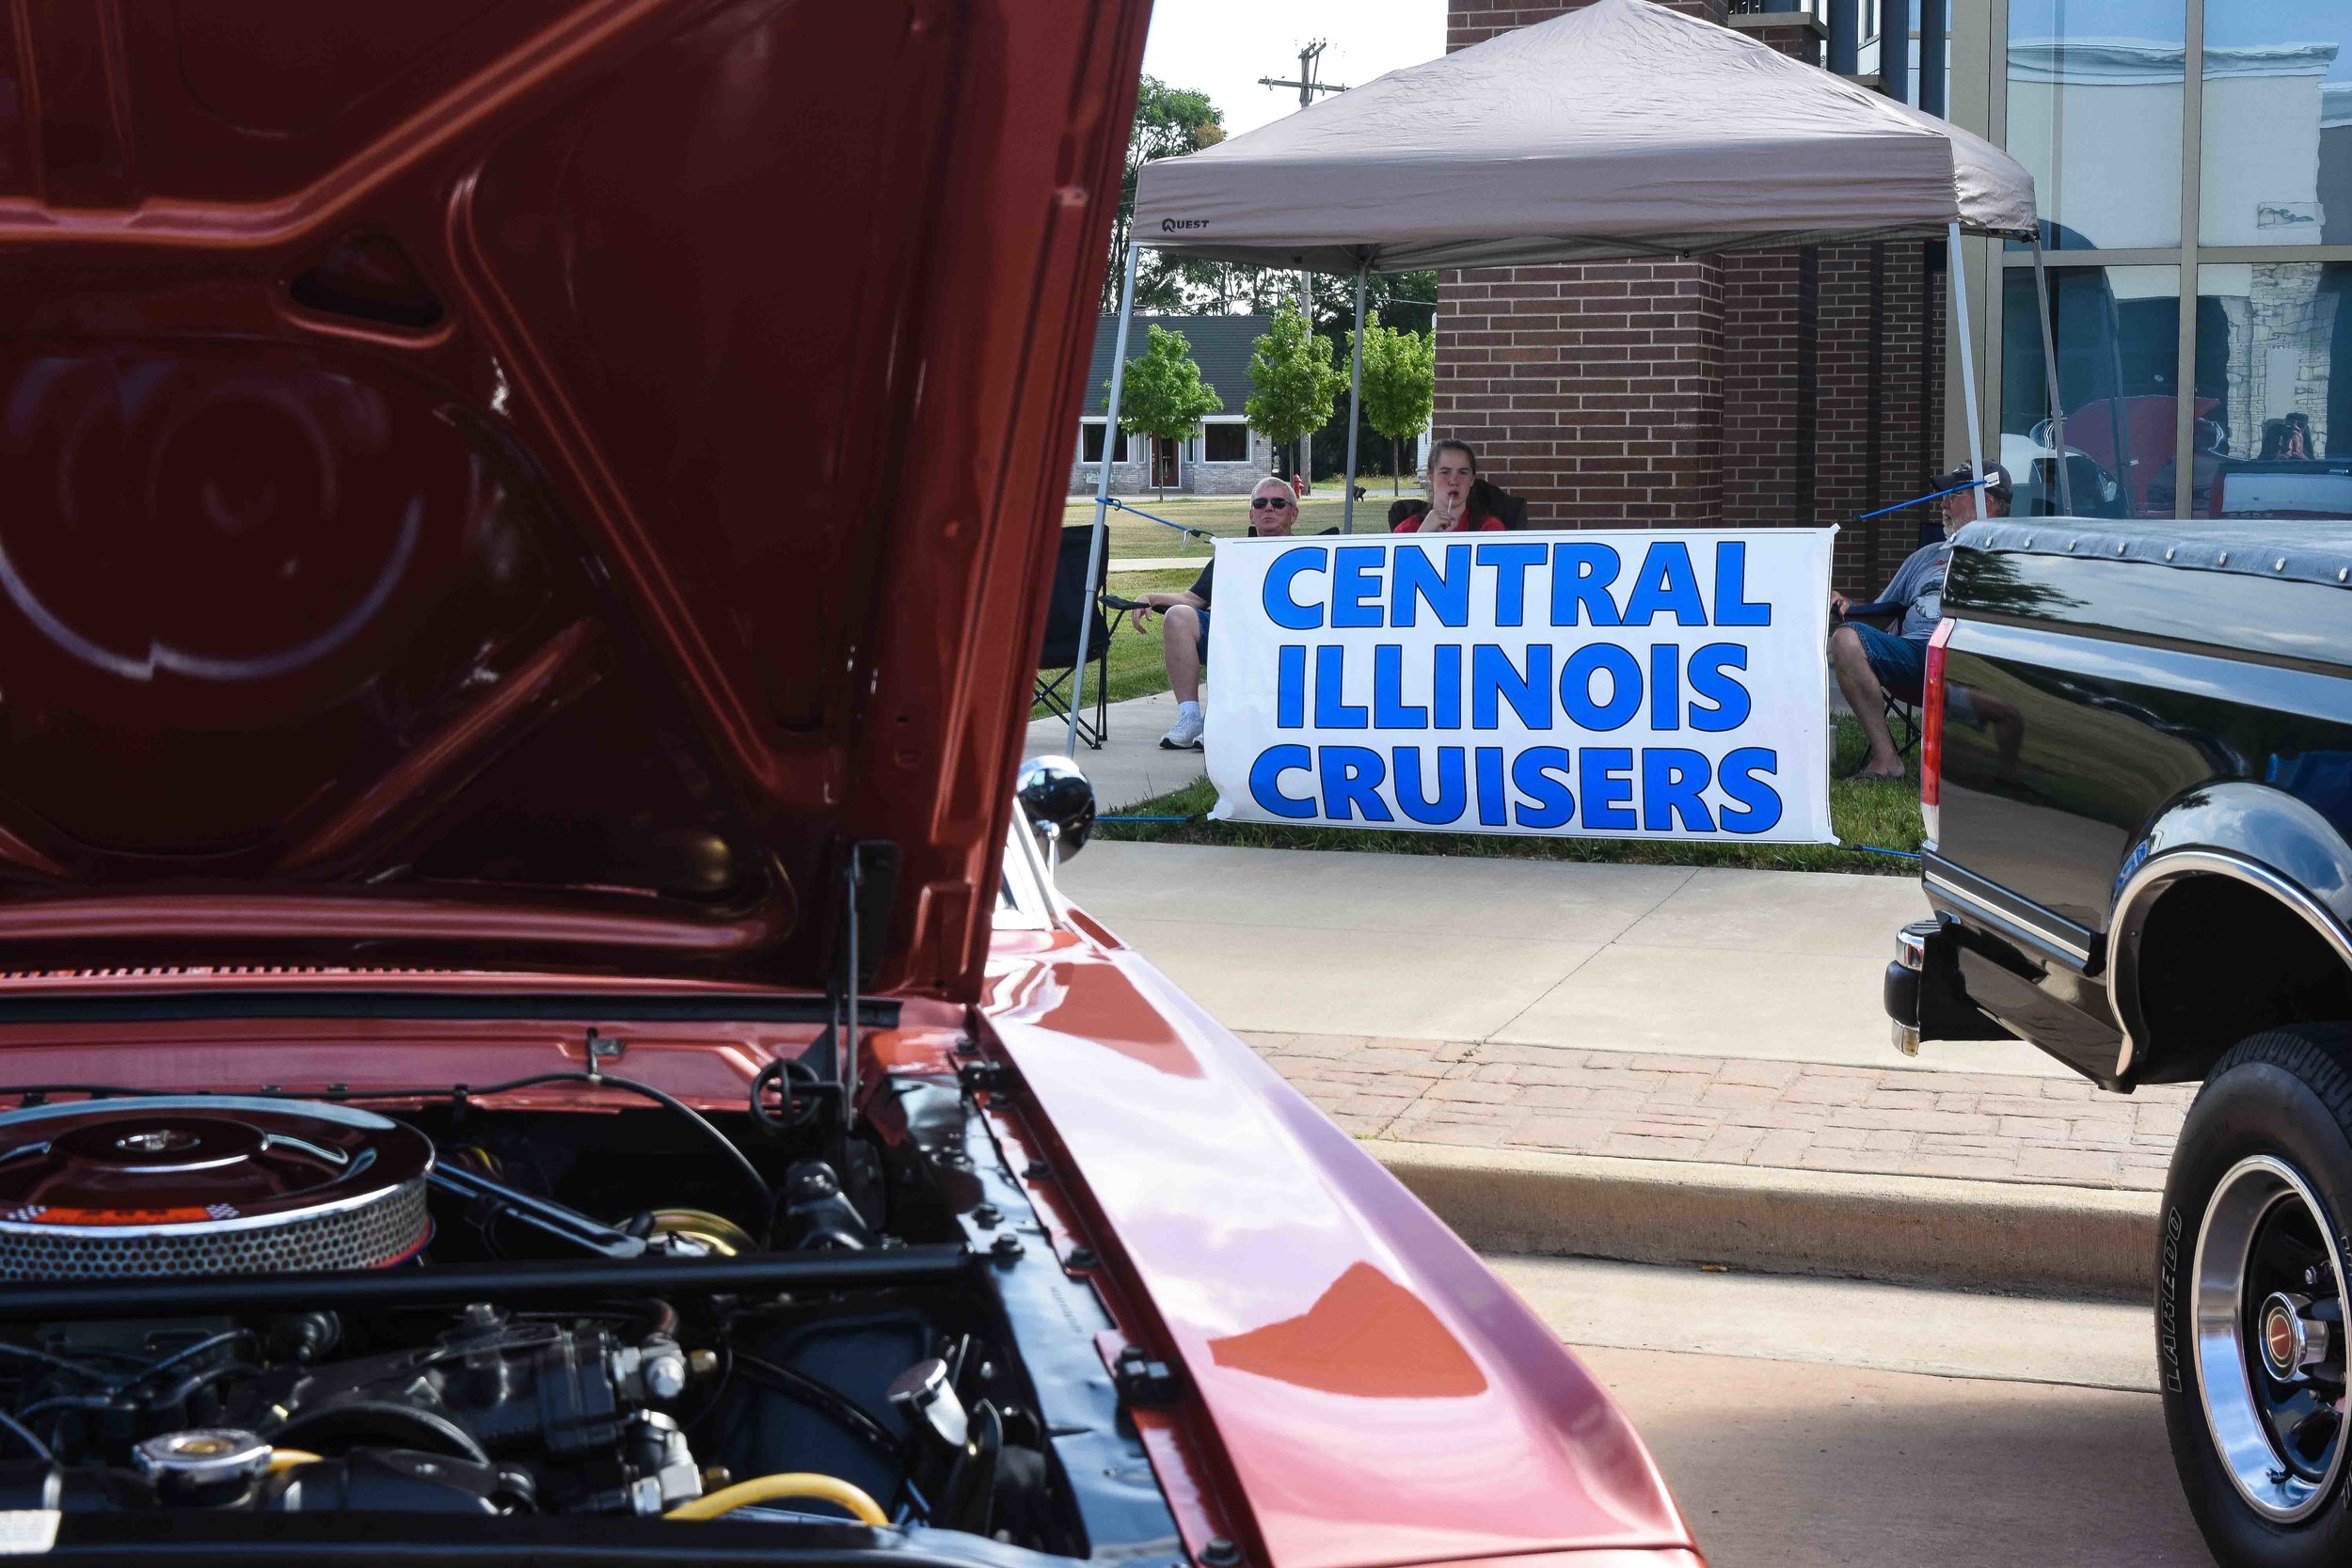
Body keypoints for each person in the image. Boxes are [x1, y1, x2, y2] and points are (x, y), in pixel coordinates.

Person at [1829, 461, 2012, 781]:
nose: (1942, 504)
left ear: (1989, 504)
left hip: (1974, 663)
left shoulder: (2014, 557)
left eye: (1953, 495)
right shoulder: (1926, 556)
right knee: (1845, 639)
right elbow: (1883, 610)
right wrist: (1847, 606)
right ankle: (1887, 760)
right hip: (1915, 660)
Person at [1127, 478, 1310, 751]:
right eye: (1260, 504)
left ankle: (1226, 721)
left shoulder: (1310, 555)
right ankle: (1190, 717)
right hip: (1232, 638)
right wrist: (1150, 598)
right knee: (1177, 615)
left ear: (1293, 514)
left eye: (1278, 503)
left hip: (1288, 645)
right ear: (1251, 514)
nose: (1268, 509)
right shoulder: (1231, 554)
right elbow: (1193, 599)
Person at [1388, 439, 1512, 532]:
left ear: (1472, 479)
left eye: (1463, 472)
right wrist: (1422, 536)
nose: (1454, 481)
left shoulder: (1489, 529)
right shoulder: (1406, 531)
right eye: (1445, 472)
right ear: (1431, 477)